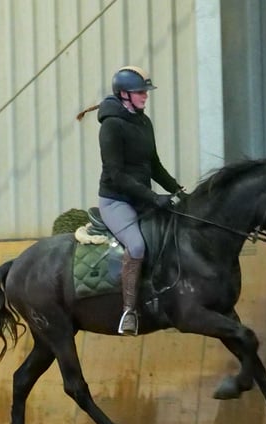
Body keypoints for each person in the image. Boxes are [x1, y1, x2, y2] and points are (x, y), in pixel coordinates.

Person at [93, 66, 185, 336]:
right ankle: (129, 312)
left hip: (142, 197)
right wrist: (153, 197)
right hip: (116, 201)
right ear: (123, 94)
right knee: (136, 245)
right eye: (140, 92)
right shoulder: (111, 126)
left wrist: (177, 189)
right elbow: (115, 175)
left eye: (145, 91)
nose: (145, 96)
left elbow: (154, 165)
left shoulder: (143, 122)